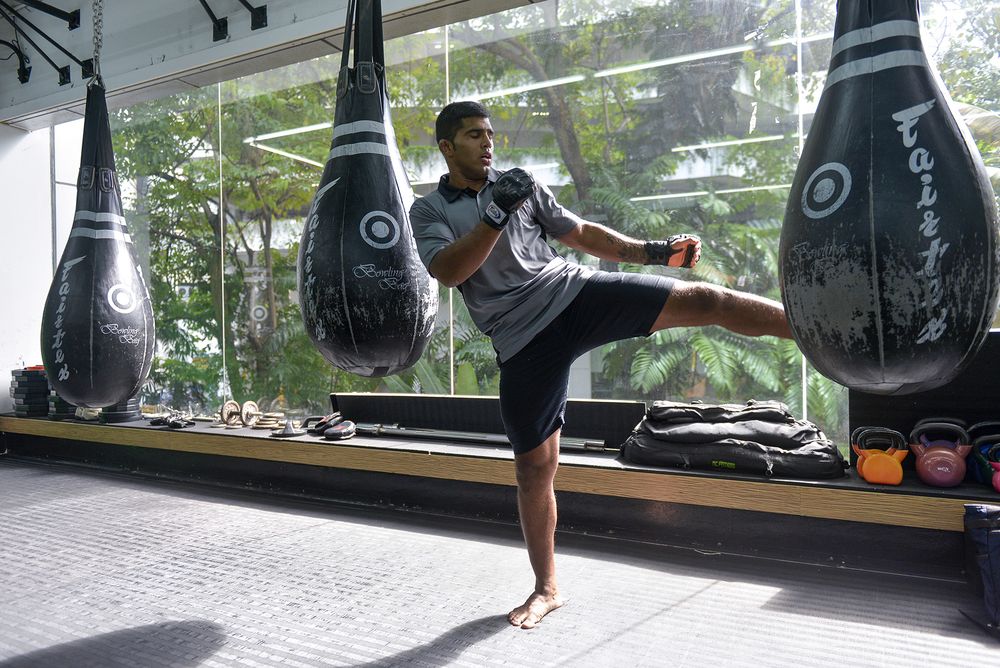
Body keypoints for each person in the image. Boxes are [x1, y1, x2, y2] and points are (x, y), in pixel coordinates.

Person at [409, 101, 793, 629]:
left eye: (490, 134)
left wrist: (655, 252)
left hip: (573, 292)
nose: (488, 143)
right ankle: (546, 589)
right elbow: (450, 271)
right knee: (533, 469)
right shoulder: (428, 211)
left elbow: (581, 232)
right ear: (448, 148)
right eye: (474, 136)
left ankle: (815, 332)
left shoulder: (520, 185)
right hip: (521, 339)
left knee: (707, 300)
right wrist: (494, 214)